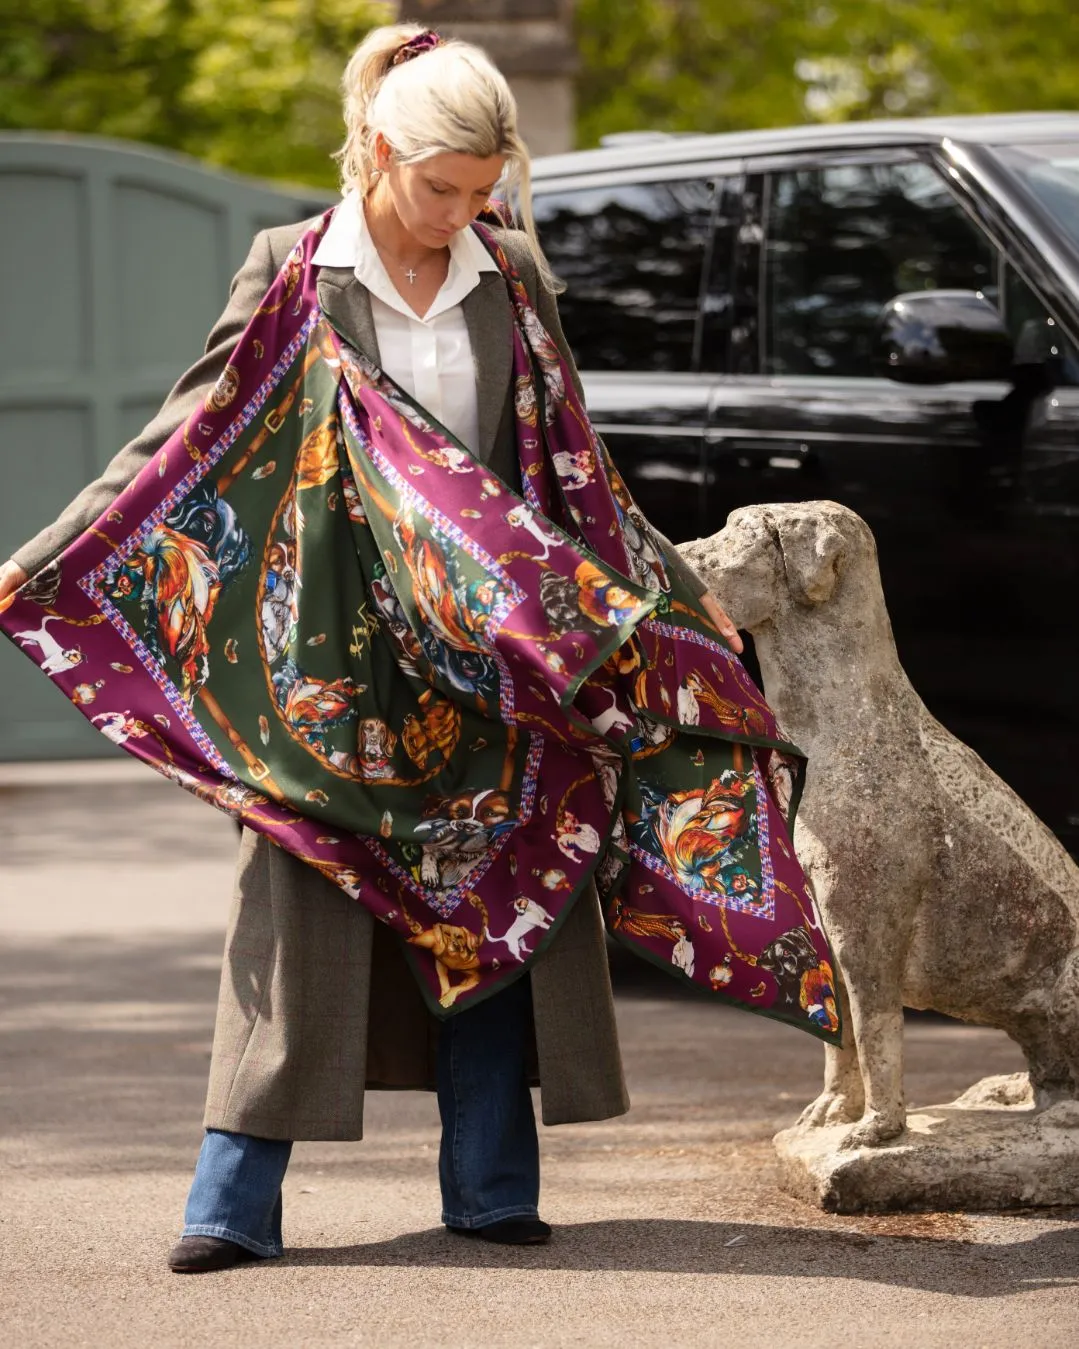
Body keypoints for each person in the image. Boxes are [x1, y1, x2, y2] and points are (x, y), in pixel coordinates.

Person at [0, 24, 750, 1273]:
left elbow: (572, 456)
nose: (458, 214)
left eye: (480, 191)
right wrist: (41, 557)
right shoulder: (294, 269)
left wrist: (673, 584)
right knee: (294, 905)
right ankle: (232, 1202)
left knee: (509, 882)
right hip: (330, 652)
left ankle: (492, 1185)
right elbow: (183, 434)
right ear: (377, 152)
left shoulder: (506, 273)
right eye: (437, 187)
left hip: (493, 651)